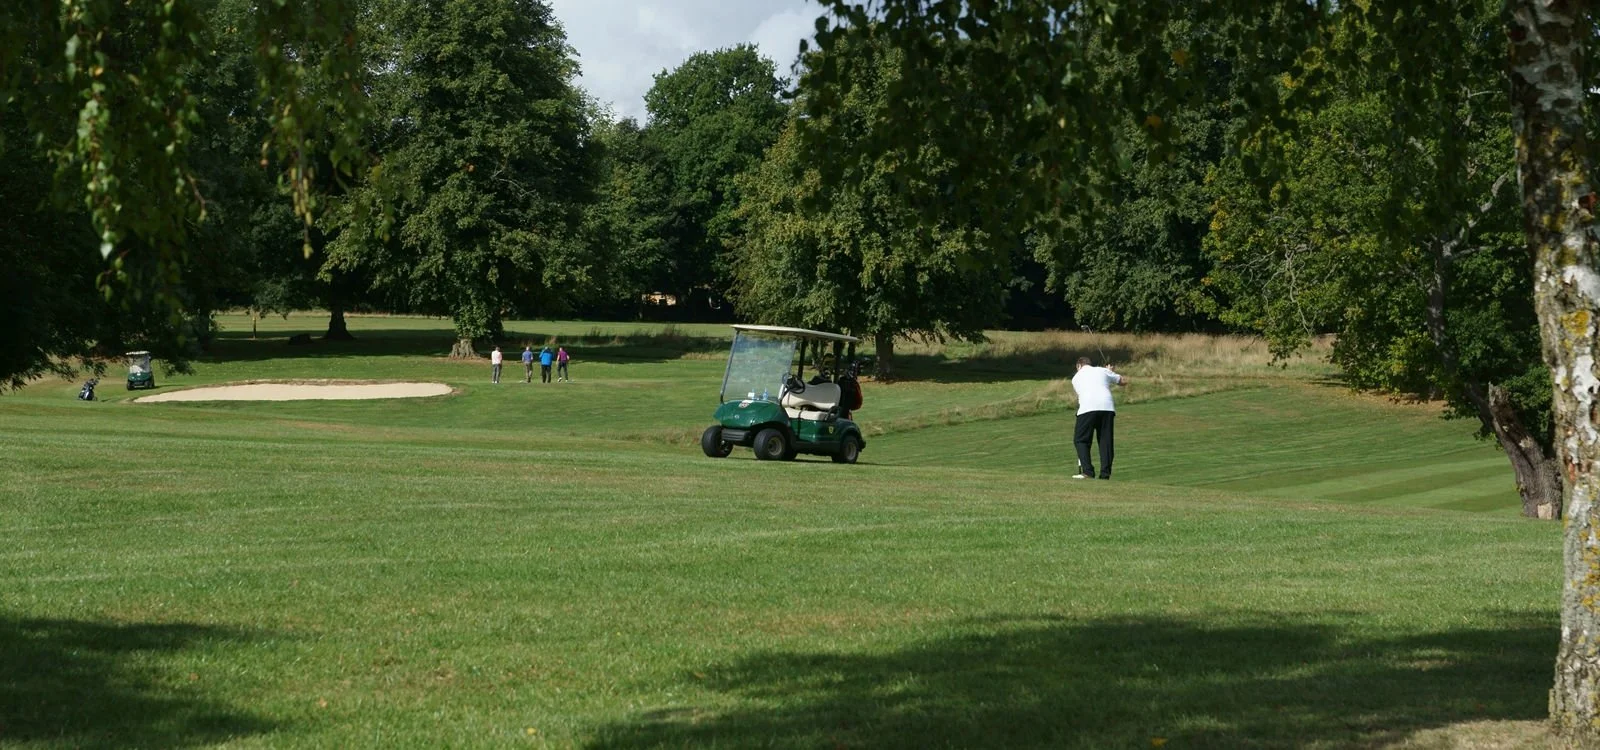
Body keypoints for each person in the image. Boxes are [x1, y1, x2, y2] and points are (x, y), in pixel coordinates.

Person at [1070, 356, 1126, 479]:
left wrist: (1109, 372)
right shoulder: (1102, 370)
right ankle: (1105, 474)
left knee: (1081, 440)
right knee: (1105, 441)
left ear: (1079, 366)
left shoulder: (1075, 378)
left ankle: (1088, 472)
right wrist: (1111, 372)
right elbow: (1123, 381)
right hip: (1107, 407)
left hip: (1087, 408)